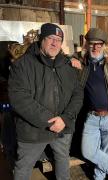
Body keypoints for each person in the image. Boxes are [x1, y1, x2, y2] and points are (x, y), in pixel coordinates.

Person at [8, 23, 83, 180]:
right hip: (33, 132)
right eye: (50, 38)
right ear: (41, 39)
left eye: (58, 39)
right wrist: (50, 121)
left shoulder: (67, 66)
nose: (55, 43)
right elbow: (20, 99)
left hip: (62, 129)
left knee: (62, 161)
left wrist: (65, 118)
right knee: (23, 168)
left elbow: (77, 94)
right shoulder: (23, 65)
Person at [72, 28, 108, 180]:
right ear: (86, 45)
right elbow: (62, 58)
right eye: (91, 44)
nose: (95, 47)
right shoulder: (82, 64)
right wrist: (70, 60)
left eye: (99, 44)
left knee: (106, 152)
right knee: (87, 151)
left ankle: (99, 178)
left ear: (104, 45)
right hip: (91, 118)